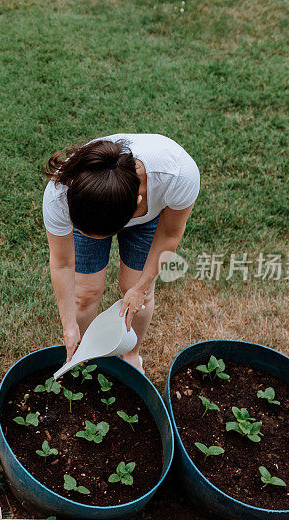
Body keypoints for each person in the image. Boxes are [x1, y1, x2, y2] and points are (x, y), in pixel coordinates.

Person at [42, 133, 200, 373]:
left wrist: (140, 288)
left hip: (150, 214)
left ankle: (131, 353)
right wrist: (68, 326)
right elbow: (62, 263)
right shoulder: (60, 194)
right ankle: (84, 355)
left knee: (138, 293)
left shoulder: (178, 175)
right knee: (85, 294)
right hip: (91, 206)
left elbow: (169, 234)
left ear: (137, 203)